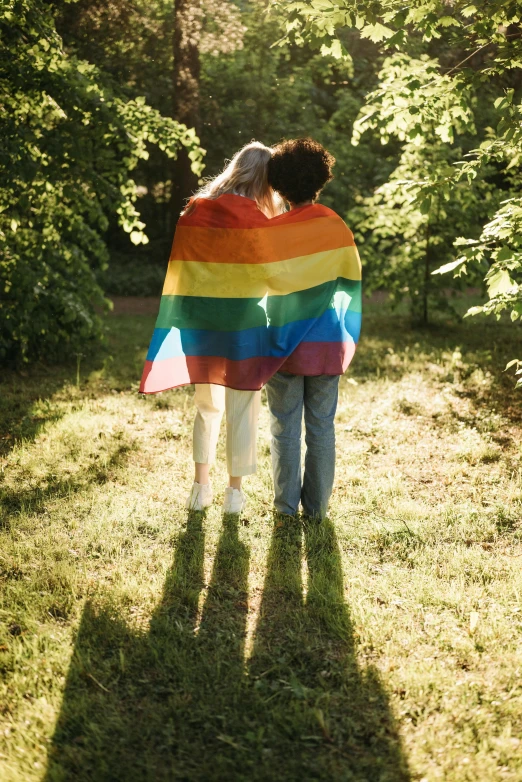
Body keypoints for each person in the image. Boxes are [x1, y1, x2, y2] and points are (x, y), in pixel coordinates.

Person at [139, 140, 360, 518]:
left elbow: (197, 270)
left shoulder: (203, 212)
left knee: (235, 415)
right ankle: (269, 501)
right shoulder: (295, 223)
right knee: (282, 418)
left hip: (230, 332)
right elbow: (297, 280)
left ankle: (229, 494)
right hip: (281, 336)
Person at [265, 138, 360, 519]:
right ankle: (317, 509)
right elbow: (348, 285)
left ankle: (286, 508)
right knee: (322, 428)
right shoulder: (336, 227)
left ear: (279, 185)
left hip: (283, 344)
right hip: (326, 343)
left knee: (283, 428)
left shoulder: (272, 232)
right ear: (320, 180)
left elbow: (263, 284)